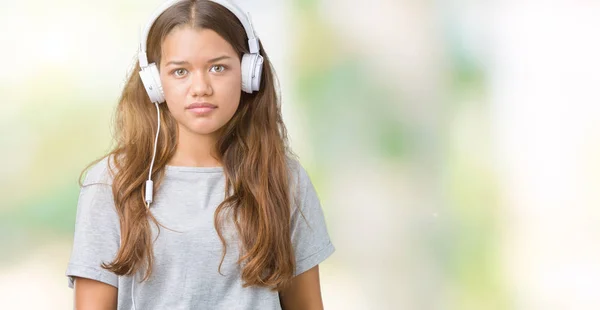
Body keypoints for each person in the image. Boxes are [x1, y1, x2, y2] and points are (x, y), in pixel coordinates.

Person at [64, 0, 335, 309]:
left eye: (218, 67)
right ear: (155, 83)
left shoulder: (284, 178)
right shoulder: (113, 182)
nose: (201, 87)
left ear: (249, 73)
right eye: (180, 71)